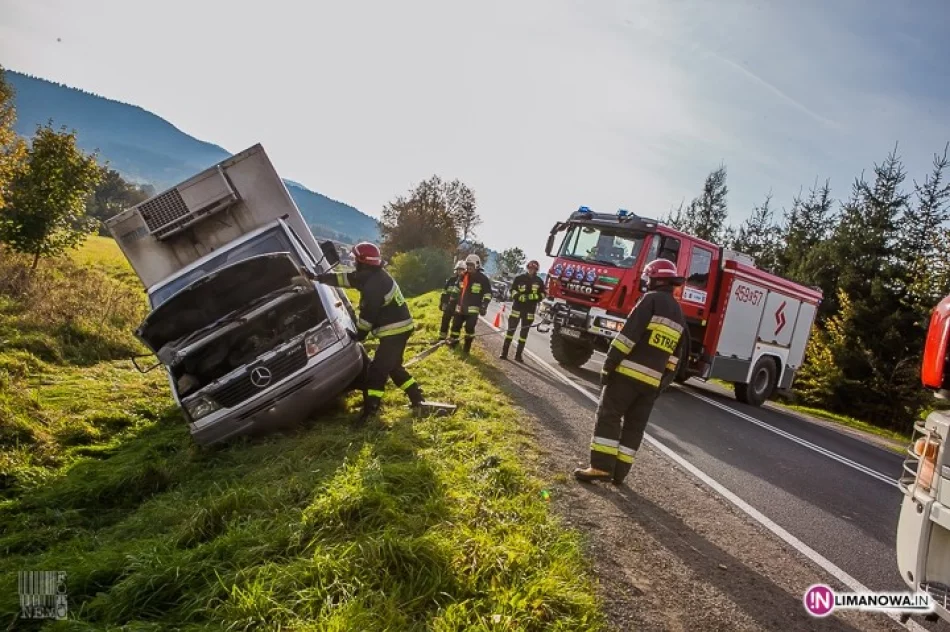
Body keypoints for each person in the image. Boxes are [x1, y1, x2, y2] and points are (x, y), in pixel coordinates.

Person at [574, 258, 690, 486]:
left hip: (626, 376)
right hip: (651, 385)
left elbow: (627, 337)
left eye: (648, 278)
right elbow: (675, 358)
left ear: (655, 280)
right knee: (634, 427)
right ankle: (619, 473)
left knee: (609, 416)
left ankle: (600, 467)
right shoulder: (678, 313)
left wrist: (608, 365)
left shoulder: (650, 301)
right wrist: (661, 384)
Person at [314, 241, 426, 424]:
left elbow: (368, 316)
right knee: (393, 367)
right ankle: (417, 398)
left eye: (355, 260)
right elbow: (345, 279)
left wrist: (360, 335)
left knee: (376, 371)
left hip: (395, 332)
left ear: (363, 262)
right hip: (398, 329)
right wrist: (318, 278)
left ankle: (370, 412)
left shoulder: (374, 284)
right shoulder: (370, 276)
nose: (353, 263)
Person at [501, 260, 546, 362]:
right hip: (517, 309)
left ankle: (518, 356)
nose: (531, 270)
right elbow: (512, 290)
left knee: (523, 335)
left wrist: (533, 296)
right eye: (530, 268)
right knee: (510, 332)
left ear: (536, 270)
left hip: (529, 311)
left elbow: (543, 294)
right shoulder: (519, 278)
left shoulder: (539, 281)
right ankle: (504, 353)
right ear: (527, 268)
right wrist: (519, 296)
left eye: (533, 269)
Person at [448, 254, 492, 355]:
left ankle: (466, 349)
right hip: (460, 309)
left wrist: (484, 305)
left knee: (469, 329)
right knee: (455, 327)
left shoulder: (483, 279)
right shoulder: (463, 276)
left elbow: (488, 294)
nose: (469, 267)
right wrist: (451, 302)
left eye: (471, 265)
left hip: (473, 311)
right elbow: (456, 289)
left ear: (477, 265)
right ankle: (453, 345)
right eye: (467, 265)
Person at [440, 260, 466, 340]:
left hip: (458, 306)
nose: (460, 271)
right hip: (449, 304)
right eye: (458, 269)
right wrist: (442, 302)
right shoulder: (451, 280)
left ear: (465, 271)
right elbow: (444, 291)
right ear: (456, 270)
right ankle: (442, 337)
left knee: (456, 324)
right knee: (445, 320)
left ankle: (453, 339)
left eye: (462, 270)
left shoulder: (465, 281)